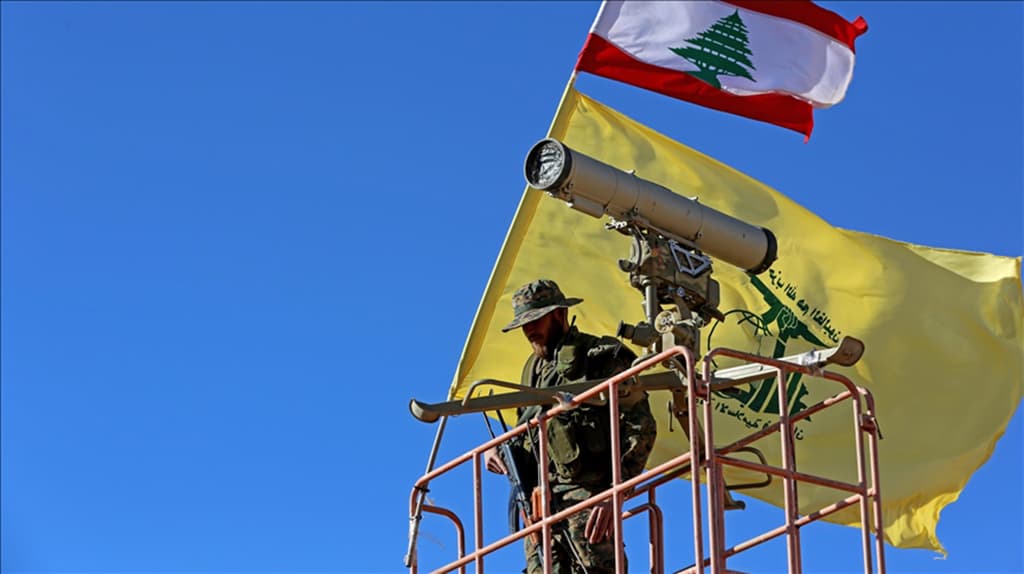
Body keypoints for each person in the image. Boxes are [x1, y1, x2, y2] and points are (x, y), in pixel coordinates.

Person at [485, 279, 657, 574]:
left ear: (559, 314)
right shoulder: (534, 370)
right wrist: (499, 451)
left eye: (536, 320)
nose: (529, 330)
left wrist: (614, 492)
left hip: (588, 496)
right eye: (524, 324)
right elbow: (526, 432)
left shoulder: (600, 356)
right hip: (540, 503)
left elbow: (640, 426)